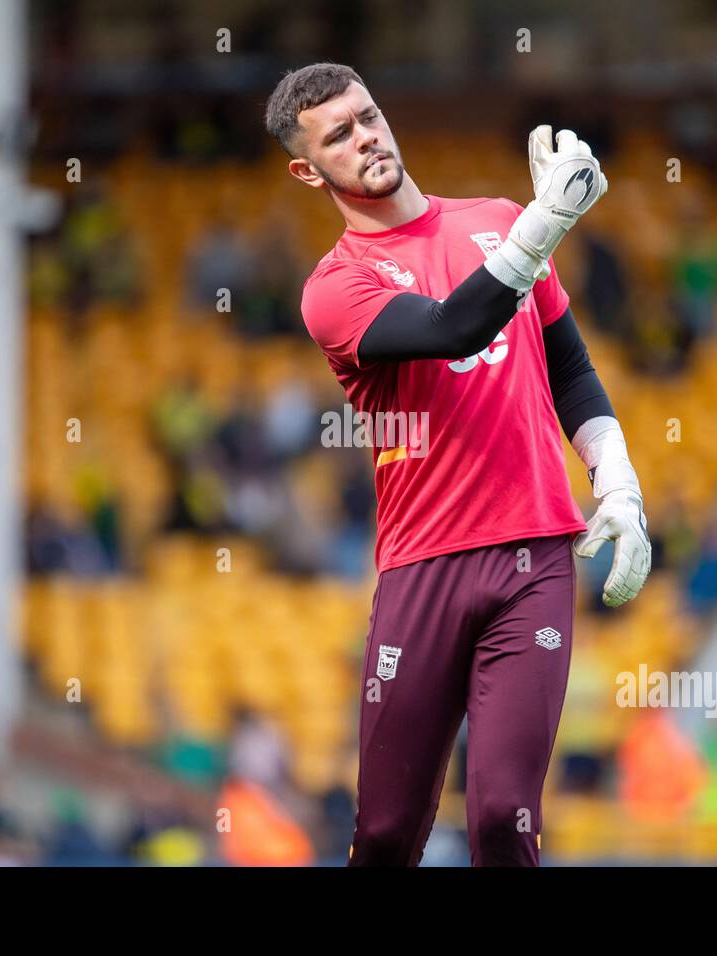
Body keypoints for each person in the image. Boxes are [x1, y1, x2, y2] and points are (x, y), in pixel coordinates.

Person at [264, 63, 651, 866]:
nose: (364, 136)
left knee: (505, 813)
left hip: (535, 555)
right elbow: (451, 328)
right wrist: (543, 226)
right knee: (385, 832)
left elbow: (570, 371)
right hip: (423, 566)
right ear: (307, 169)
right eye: (337, 134)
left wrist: (617, 482)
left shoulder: (496, 220)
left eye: (367, 115)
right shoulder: (336, 286)